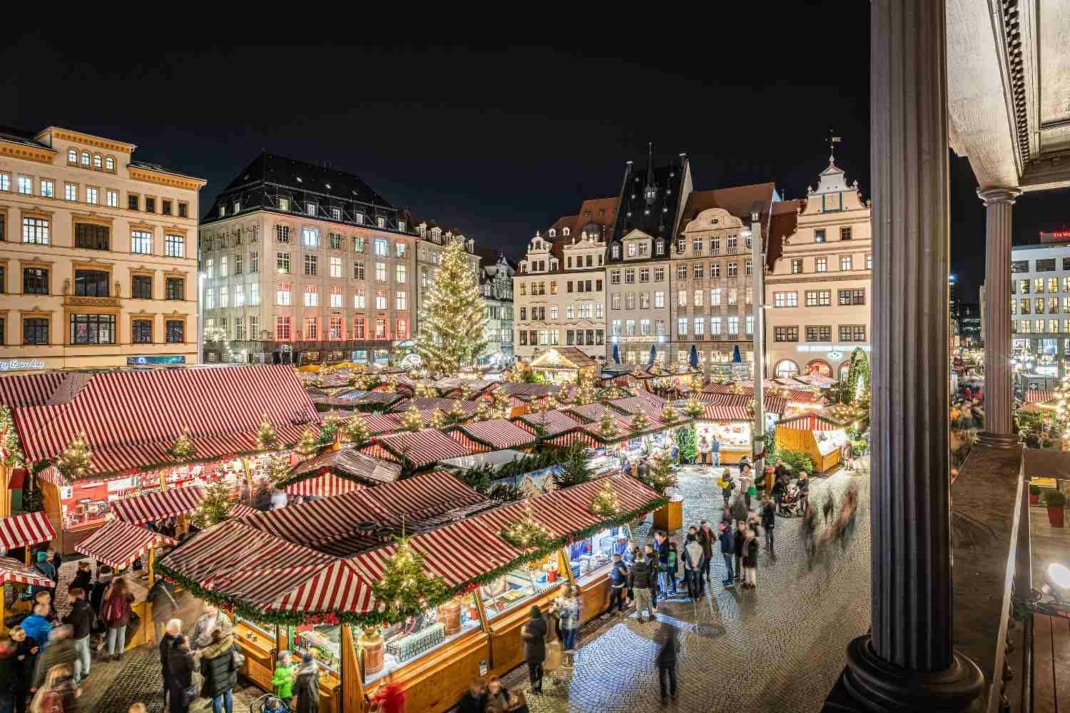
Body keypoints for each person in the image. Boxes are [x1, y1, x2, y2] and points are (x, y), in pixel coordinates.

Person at [200, 628, 237, 713]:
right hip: (228, 678)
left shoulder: (207, 653)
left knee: (217, 700)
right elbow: (237, 654)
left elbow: (203, 671)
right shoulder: (229, 645)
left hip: (215, 682)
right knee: (228, 696)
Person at [31, 626, 75, 692]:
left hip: (51, 681)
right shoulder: (70, 646)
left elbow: (41, 671)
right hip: (66, 678)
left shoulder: (47, 653)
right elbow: (74, 659)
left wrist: (35, 685)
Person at [62, 588, 92, 684]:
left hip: (78, 635)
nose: (68, 598)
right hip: (86, 632)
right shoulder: (86, 604)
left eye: (69, 597)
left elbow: (71, 621)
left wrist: (64, 618)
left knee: (76, 658)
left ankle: (76, 678)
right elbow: (91, 615)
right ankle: (86, 671)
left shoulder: (77, 609)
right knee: (85, 652)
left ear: (74, 597)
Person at [101, 576, 134, 662]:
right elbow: (132, 599)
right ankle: (120, 654)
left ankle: (110, 655)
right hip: (123, 618)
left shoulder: (111, 591)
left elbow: (105, 599)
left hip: (113, 618)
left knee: (112, 635)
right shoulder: (125, 591)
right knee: (121, 635)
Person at [11, 626, 39, 713]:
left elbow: (36, 649)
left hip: (28, 670)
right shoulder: (10, 644)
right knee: (16, 697)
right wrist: (28, 653)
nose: (23, 636)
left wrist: (32, 652)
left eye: (23, 634)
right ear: (13, 637)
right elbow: (14, 657)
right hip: (15, 674)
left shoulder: (30, 640)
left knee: (25, 693)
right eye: (20, 635)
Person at [520, 606, 546, 694]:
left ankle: (534, 690)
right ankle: (539, 688)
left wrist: (522, 631)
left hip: (531, 652)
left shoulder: (529, 625)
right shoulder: (542, 621)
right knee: (539, 669)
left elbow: (527, 637)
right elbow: (544, 632)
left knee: (532, 671)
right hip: (540, 650)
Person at [148, 577, 179, 645]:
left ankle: (159, 645)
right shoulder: (172, 584)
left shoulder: (158, 584)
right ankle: (172, 644)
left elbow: (149, 599)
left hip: (157, 611)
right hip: (167, 610)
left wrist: (150, 590)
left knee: (158, 630)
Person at [167, 635, 195, 713]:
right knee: (183, 706)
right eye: (186, 642)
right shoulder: (186, 656)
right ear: (181, 645)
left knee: (175, 705)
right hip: (184, 685)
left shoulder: (171, 652)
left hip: (174, 685)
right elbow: (194, 667)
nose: (188, 643)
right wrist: (190, 655)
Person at [655, 623, 679, 704]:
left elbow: (659, 645)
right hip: (672, 658)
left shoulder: (663, 632)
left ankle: (664, 696)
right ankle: (673, 693)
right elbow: (678, 647)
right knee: (672, 675)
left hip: (663, 659)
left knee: (663, 677)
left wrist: (657, 659)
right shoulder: (674, 631)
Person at [628, 551, 655, 622]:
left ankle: (639, 616)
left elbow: (630, 578)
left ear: (636, 557)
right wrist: (650, 586)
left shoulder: (632, 567)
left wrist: (630, 587)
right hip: (644, 587)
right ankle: (651, 615)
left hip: (636, 587)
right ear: (642, 557)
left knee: (638, 602)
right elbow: (650, 578)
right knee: (648, 601)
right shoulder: (646, 566)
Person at [554, 585, 579, 651]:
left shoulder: (568, 603)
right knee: (567, 638)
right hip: (568, 624)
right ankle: (568, 648)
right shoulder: (573, 601)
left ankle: (568, 649)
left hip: (568, 624)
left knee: (568, 638)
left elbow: (563, 614)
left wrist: (556, 608)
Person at [683, 533, 704, 600]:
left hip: (689, 568)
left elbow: (688, 559)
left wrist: (692, 567)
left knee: (690, 581)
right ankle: (697, 596)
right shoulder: (700, 547)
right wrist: (698, 566)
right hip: (698, 567)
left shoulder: (687, 547)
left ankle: (691, 595)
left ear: (688, 539)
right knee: (697, 581)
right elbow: (702, 558)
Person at [717, 523, 735, 588]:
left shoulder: (728, 534)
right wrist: (719, 533)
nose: (719, 526)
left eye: (720, 526)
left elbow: (731, 545)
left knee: (729, 567)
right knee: (728, 567)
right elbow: (721, 538)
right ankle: (729, 579)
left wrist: (727, 552)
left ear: (724, 526)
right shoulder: (725, 532)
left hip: (728, 553)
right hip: (726, 553)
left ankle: (731, 582)